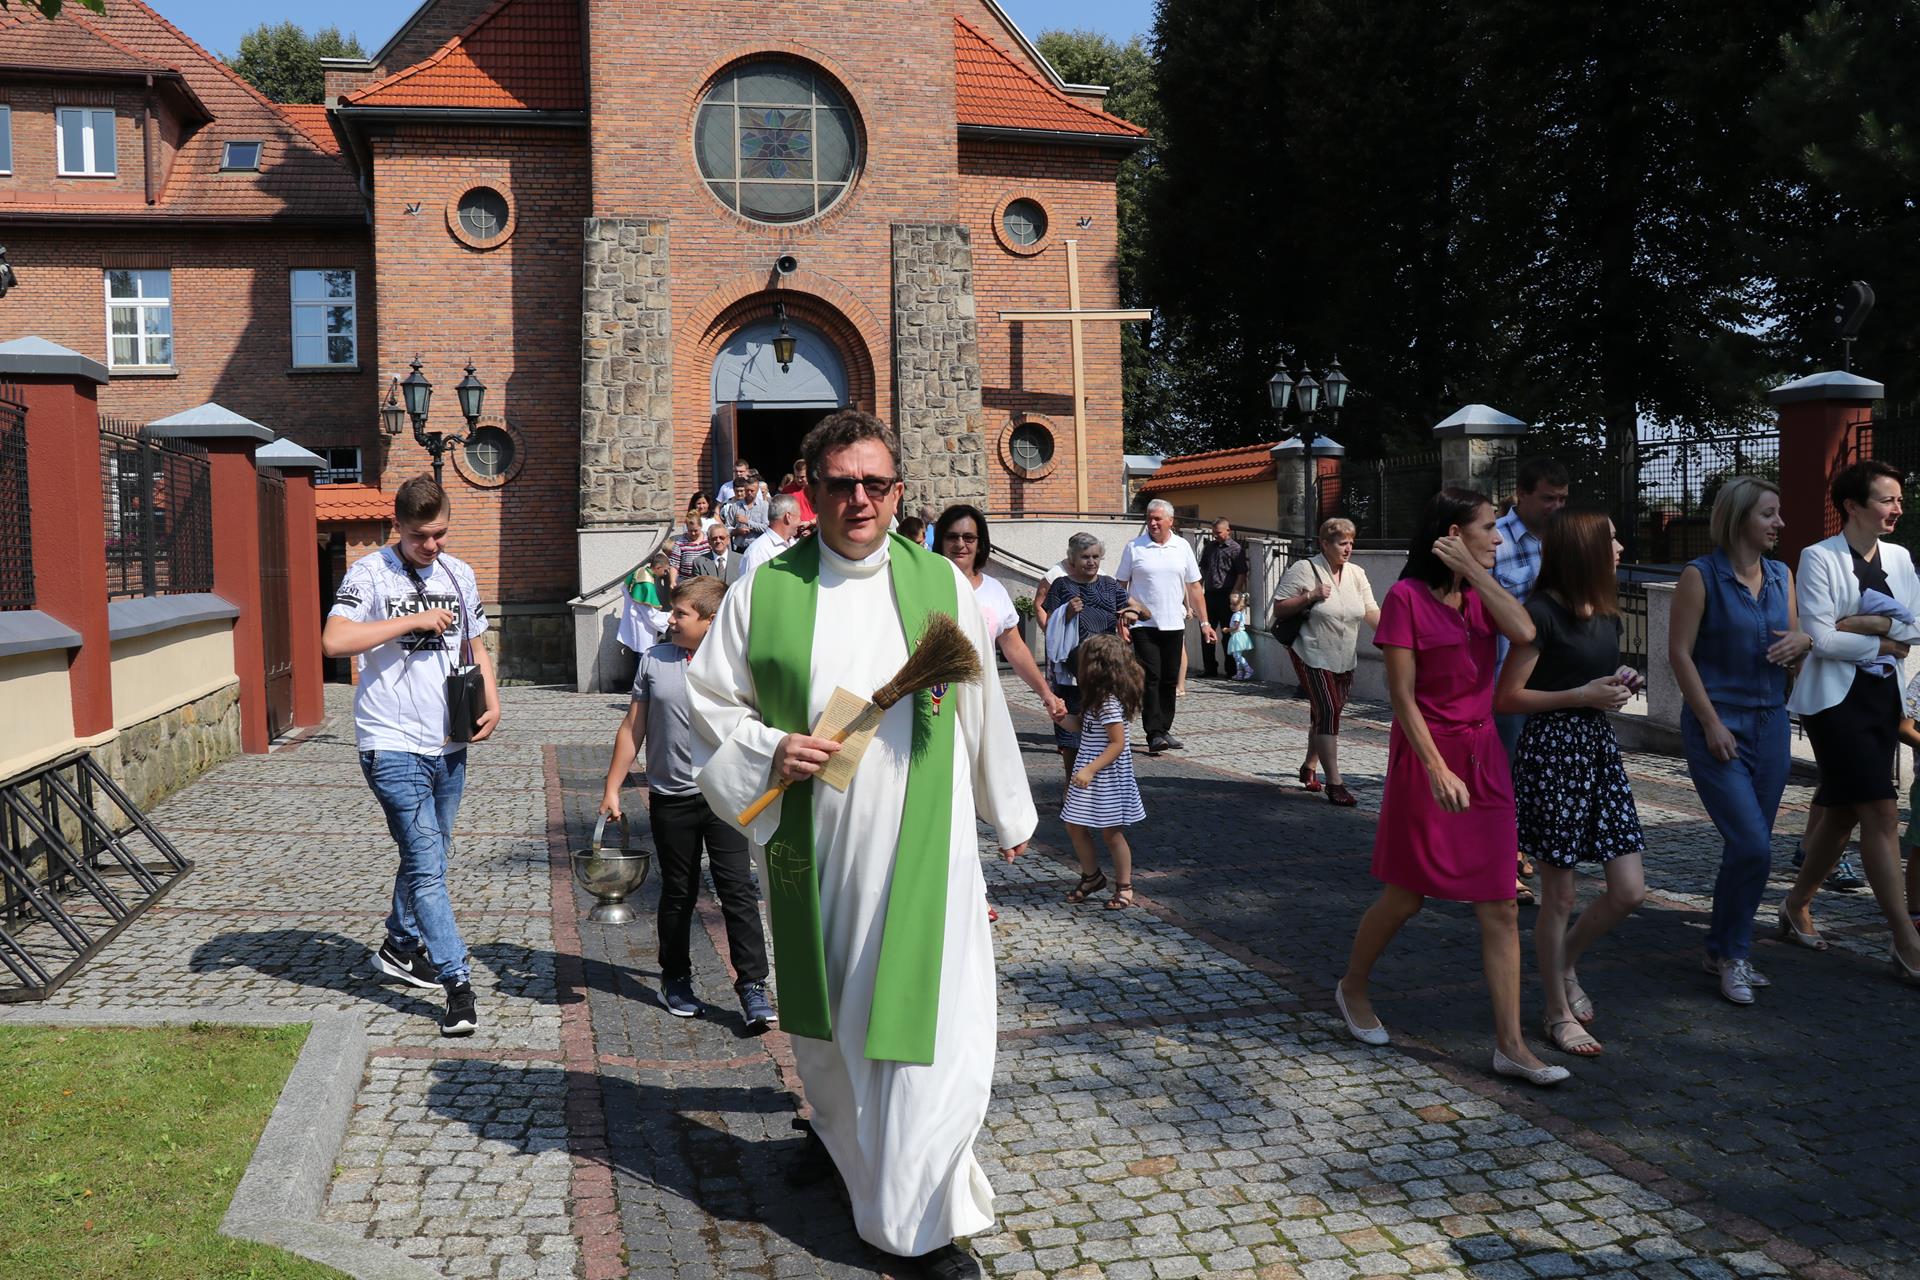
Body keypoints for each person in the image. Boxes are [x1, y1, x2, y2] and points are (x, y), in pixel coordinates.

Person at [686, 409, 1036, 1277]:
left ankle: (922, 1225)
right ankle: (845, 1143)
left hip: (929, 847)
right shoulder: (765, 589)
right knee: (835, 1030)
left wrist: (1007, 810)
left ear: (898, 491)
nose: (860, 500)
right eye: (841, 484)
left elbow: (980, 698)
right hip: (819, 851)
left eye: (875, 484)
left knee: (927, 1035)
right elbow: (709, 702)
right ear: (810, 492)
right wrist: (771, 748)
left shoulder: (940, 582)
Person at [1336, 488, 1567, 1086]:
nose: (1498, 537)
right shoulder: (1406, 598)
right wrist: (1437, 767)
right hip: (1427, 755)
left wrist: (1475, 574)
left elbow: (1526, 632)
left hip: (1484, 754)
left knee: (1500, 902)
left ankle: (1511, 1045)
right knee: (1406, 897)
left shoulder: (1481, 596)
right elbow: (1402, 698)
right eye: (1487, 527)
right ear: (1453, 533)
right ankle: (1352, 987)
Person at [322, 475, 500, 1038]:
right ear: (397, 526)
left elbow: (475, 644)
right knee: (427, 866)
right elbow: (334, 641)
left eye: (440, 533)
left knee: (433, 852)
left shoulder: (459, 573)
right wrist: (411, 620)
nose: (432, 545)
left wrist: (493, 698)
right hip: (391, 741)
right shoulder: (369, 573)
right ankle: (457, 983)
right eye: (421, 536)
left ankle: (400, 944)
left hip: (448, 740)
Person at [1496, 513, 1645, 1056]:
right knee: (1559, 895)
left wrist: (1621, 682)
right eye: (1611, 539)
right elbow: (1507, 697)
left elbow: (1596, 678)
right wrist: (1581, 695)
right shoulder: (1541, 613)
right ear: (1585, 550)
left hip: (1597, 751)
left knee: (1629, 890)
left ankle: (1565, 963)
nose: (1620, 547)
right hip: (1552, 756)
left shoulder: (1606, 612)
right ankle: (1556, 1011)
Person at [600, 577, 774, 1030]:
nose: (670, 620)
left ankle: (753, 985)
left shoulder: (739, 664)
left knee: (737, 889)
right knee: (679, 891)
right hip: (671, 798)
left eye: (681, 614)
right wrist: (613, 787)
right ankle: (675, 978)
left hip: (725, 796)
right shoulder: (655, 661)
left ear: (711, 621)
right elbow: (632, 728)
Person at [1668, 477, 1811, 1005]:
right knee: (1752, 844)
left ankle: (1721, 948)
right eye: (1768, 514)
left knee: (1749, 846)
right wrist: (1710, 722)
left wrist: (1804, 642)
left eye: (1778, 513)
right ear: (1739, 518)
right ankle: (1734, 953)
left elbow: (1792, 642)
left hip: (1771, 724)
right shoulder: (1700, 575)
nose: (1779, 523)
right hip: (1719, 725)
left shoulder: (1780, 574)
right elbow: (1679, 654)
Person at [1780, 459, 1920, 983]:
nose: (1897, 508)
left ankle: (1795, 906)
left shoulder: (1900, 557)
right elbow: (1821, 638)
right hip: (1834, 704)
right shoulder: (1818, 557)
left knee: (1842, 813)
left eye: (1899, 499)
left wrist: (1863, 623)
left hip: (1881, 698)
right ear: (1853, 506)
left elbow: (1916, 627)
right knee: (1881, 811)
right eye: (1887, 499)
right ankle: (1906, 941)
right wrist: (1885, 638)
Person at [1273, 517, 1381, 806]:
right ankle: (1335, 783)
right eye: (1342, 543)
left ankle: (1309, 765)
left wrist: (1395, 637)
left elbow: (1370, 610)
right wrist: (1310, 595)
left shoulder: (1357, 574)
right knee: (1328, 710)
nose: (1348, 548)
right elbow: (1280, 608)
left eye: (1351, 543)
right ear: (1324, 544)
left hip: (1344, 657)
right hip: (1311, 652)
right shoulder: (1304, 569)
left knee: (1326, 714)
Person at [935, 504, 1066, 721]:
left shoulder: (994, 590)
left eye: (969, 538)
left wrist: (1046, 693)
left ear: (980, 544)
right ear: (941, 541)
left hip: (981, 699)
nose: (960, 544)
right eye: (952, 537)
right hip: (936, 699)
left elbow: (1015, 648)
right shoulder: (926, 586)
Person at [1041, 533, 1151, 778]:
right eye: (1085, 557)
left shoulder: (1109, 585)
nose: (1091, 562)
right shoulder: (1062, 585)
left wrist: (1133, 611)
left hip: (1106, 672)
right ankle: (1071, 783)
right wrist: (1066, 613)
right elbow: (1050, 625)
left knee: (1105, 727)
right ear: (1072, 559)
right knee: (1071, 734)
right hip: (1073, 671)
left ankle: (1104, 780)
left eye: (1095, 556)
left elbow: (1145, 612)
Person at [1116, 500, 1215, 754]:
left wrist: (1205, 622)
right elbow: (1120, 586)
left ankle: (1164, 727)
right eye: (1149, 518)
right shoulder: (1134, 547)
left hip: (1174, 623)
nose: (1153, 523)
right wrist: (1123, 619)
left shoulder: (1181, 546)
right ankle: (1153, 733)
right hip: (1143, 624)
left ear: (1171, 521)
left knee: (1170, 678)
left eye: (1158, 519)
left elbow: (1195, 586)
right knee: (1151, 676)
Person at [1061, 634, 1147, 909]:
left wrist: (1089, 769)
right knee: (1074, 824)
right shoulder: (1095, 698)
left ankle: (1125, 886)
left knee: (1111, 833)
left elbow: (1117, 743)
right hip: (1090, 771)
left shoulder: (1108, 702)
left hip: (1105, 775)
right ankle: (1092, 877)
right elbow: (1080, 726)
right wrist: (1060, 717)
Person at [1199, 518, 1250, 679]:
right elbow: (1203, 568)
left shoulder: (1236, 549)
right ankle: (1209, 668)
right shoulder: (1210, 547)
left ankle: (1231, 669)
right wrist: (1199, 587)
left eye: (1219, 532)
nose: (1216, 535)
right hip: (1210, 594)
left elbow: (1241, 573)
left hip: (1226, 595)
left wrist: (1235, 592)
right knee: (1206, 632)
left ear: (1228, 531)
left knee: (1228, 634)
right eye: (1214, 532)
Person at [616, 550, 672, 655]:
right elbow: (651, 616)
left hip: (633, 619)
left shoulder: (639, 571)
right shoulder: (646, 585)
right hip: (642, 626)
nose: (666, 573)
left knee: (637, 650)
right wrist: (669, 615)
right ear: (658, 567)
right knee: (644, 654)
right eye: (665, 570)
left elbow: (624, 588)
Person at [738, 492, 804, 580]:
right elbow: (749, 586)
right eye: (799, 517)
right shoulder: (757, 553)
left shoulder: (794, 544)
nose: (801, 522)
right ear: (788, 517)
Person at [724, 471, 769, 552]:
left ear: (757, 490)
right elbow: (726, 528)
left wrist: (747, 522)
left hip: (758, 549)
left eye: (752, 490)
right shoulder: (735, 506)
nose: (749, 493)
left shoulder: (764, 506)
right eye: (747, 490)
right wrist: (737, 531)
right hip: (740, 549)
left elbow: (766, 528)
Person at [670, 503, 708, 586]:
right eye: (690, 531)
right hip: (686, 582)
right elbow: (674, 565)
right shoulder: (680, 543)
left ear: (701, 526)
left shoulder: (708, 539)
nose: (693, 533)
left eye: (696, 530)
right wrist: (672, 581)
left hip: (706, 581)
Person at [779, 457, 817, 523]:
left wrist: (810, 522)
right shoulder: (787, 490)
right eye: (797, 477)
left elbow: (824, 512)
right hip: (793, 527)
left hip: (813, 527)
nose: (799, 480)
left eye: (802, 477)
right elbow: (781, 511)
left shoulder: (816, 489)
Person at [1226, 591, 1255, 680]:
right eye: (1231, 604)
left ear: (1241, 605)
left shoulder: (1236, 615)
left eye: (1234, 604)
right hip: (1238, 636)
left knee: (1236, 655)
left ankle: (1248, 669)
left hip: (1237, 636)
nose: (1232, 606)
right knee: (1237, 655)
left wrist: (1227, 629)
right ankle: (1239, 673)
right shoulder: (1239, 614)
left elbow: (1236, 627)